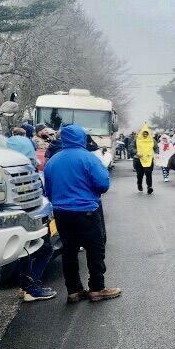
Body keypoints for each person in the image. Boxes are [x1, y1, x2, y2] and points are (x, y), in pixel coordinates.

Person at [42, 124, 121, 303]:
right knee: (95, 249)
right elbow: (103, 184)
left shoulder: (53, 160)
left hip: (61, 213)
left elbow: (48, 189)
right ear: (81, 138)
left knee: (69, 251)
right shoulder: (89, 158)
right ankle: (97, 288)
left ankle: (74, 290)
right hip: (86, 211)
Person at [6, 128, 55, 301]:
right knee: (43, 250)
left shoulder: (4, 170)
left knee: (23, 254)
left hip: (13, 220)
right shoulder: (29, 173)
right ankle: (31, 287)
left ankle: (26, 286)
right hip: (32, 220)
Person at [134, 123, 156, 194]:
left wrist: (156, 153)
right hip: (138, 160)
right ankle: (139, 184)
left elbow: (156, 148)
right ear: (141, 133)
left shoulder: (152, 140)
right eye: (144, 133)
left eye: (146, 133)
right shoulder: (137, 140)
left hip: (148, 160)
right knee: (140, 175)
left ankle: (149, 187)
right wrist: (136, 152)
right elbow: (131, 148)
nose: (145, 135)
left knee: (148, 173)